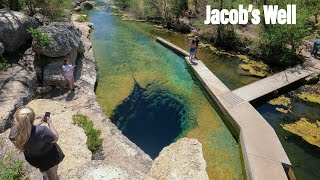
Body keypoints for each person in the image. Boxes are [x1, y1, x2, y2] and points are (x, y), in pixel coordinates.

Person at [9, 107, 64, 180]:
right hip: (49, 157)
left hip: (33, 158)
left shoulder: (13, 132)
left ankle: (44, 176)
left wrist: (34, 126)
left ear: (17, 118)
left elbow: (26, 133)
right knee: (52, 175)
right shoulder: (42, 131)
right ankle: (49, 177)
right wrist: (50, 123)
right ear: (33, 118)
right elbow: (55, 138)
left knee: (42, 168)